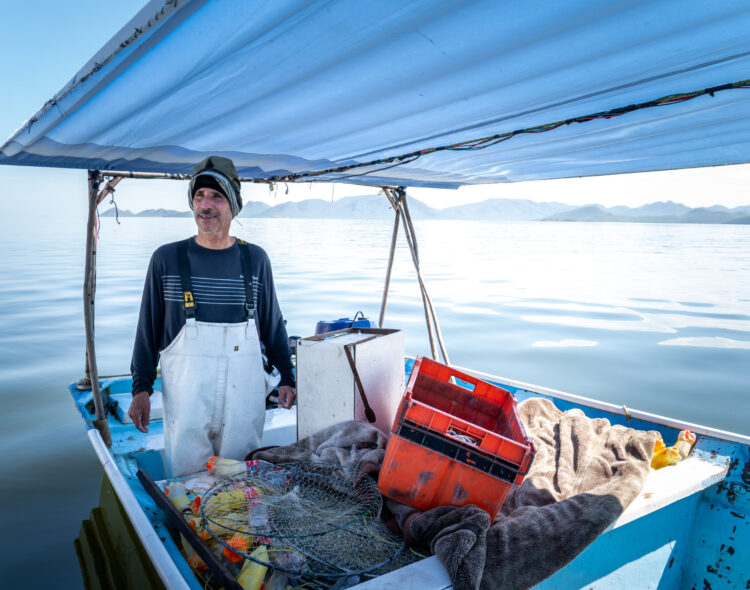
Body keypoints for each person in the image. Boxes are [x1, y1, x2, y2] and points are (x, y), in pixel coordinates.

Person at [128, 155, 295, 477]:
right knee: (189, 484)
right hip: (186, 400)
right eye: (199, 196)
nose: (206, 205)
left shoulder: (255, 259)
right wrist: (141, 389)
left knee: (240, 480)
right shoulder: (166, 259)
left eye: (216, 196)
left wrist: (287, 377)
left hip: (244, 400)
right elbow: (146, 331)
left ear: (233, 205)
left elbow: (273, 325)